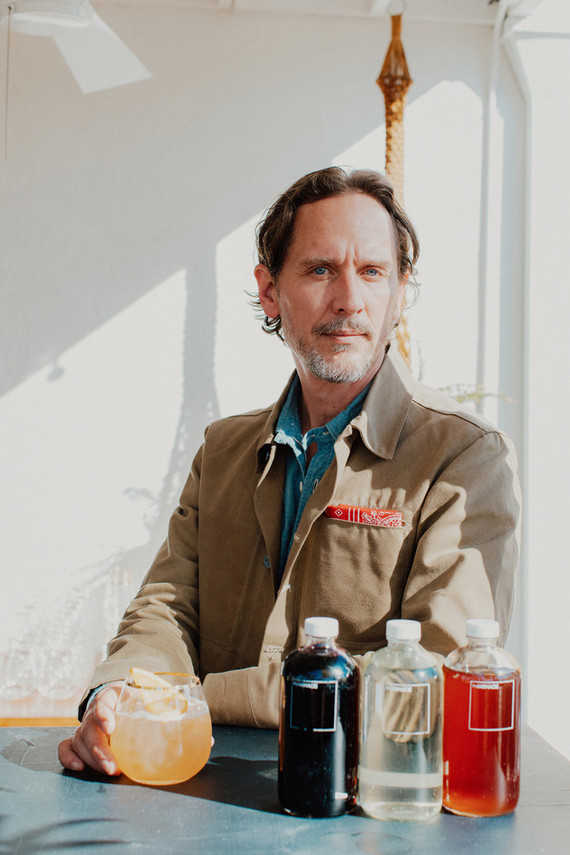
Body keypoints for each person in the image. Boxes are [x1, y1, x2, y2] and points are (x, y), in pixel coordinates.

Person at [58, 167, 521, 776]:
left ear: (400, 292)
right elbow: (167, 609)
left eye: (373, 271)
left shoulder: (464, 457)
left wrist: (200, 696)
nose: (349, 299)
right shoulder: (222, 451)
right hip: (193, 790)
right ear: (271, 291)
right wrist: (117, 691)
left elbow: (435, 675)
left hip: (366, 801)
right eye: (321, 269)